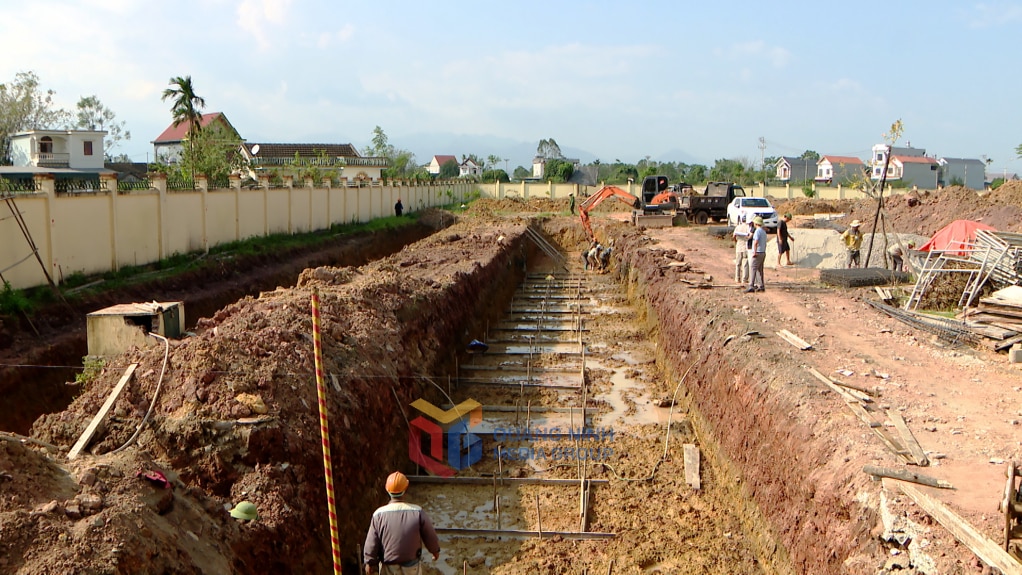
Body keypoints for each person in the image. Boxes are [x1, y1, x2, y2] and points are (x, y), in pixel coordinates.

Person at [364, 471, 440, 575]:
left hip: (388, 565)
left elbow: (371, 542)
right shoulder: (417, 512)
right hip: (411, 566)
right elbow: (430, 535)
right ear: (406, 488)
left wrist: (369, 562)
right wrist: (435, 551)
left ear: (387, 489)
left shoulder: (378, 515)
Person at [745, 216, 767, 293]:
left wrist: (754, 252)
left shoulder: (757, 231)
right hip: (763, 252)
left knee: (753, 268)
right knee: (760, 270)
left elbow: (756, 242)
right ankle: (761, 286)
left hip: (757, 252)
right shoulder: (764, 231)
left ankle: (751, 285)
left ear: (756, 223)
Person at [732, 215, 750, 284]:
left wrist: (736, 241)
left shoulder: (738, 227)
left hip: (739, 246)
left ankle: (737, 278)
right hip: (745, 246)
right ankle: (744, 279)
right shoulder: (748, 227)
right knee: (745, 263)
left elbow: (734, 236)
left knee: (738, 263)